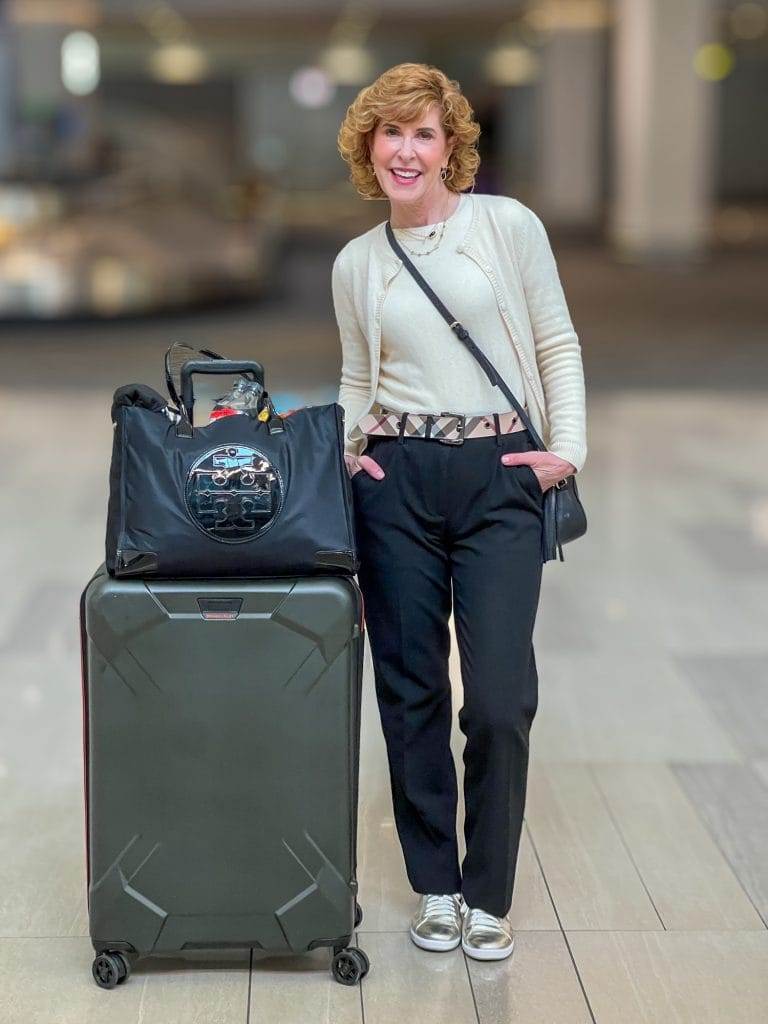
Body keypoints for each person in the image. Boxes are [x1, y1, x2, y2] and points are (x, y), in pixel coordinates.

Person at [332, 63, 587, 961]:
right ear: (370, 146)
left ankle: (491, 894)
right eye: (391, 133)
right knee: (411, 689)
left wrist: (569, 451)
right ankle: (438, 886)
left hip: (501, 472)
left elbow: (555, 338)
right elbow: (358, 375)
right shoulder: (357, 261)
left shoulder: (506, 227)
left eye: (424, 133)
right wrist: (353, 457)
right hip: (394, 477)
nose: (407, 150)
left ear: (452, 147)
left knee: (501, 699)